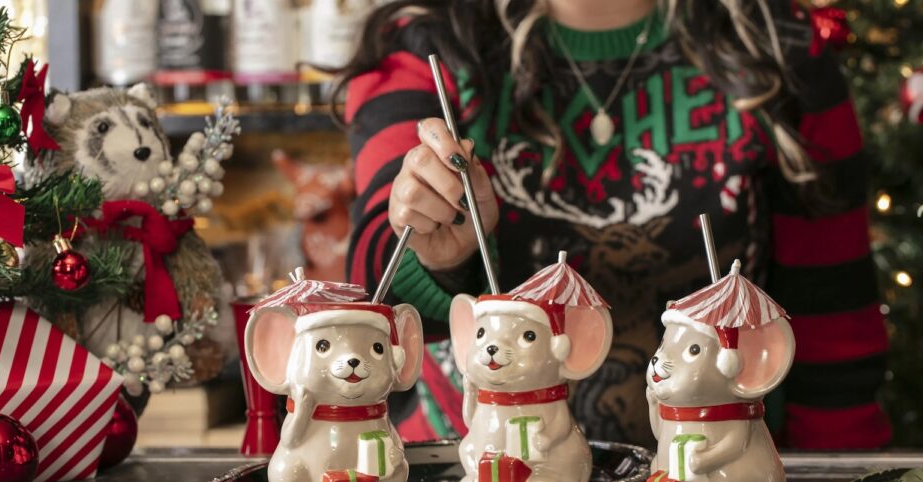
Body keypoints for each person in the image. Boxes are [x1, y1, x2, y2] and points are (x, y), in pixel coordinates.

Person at [335, 0, 890, 449]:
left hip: (714, 474)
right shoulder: (424, 47)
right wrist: (435, 251)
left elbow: (833, 314)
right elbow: (370, 280)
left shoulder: (779, 50)